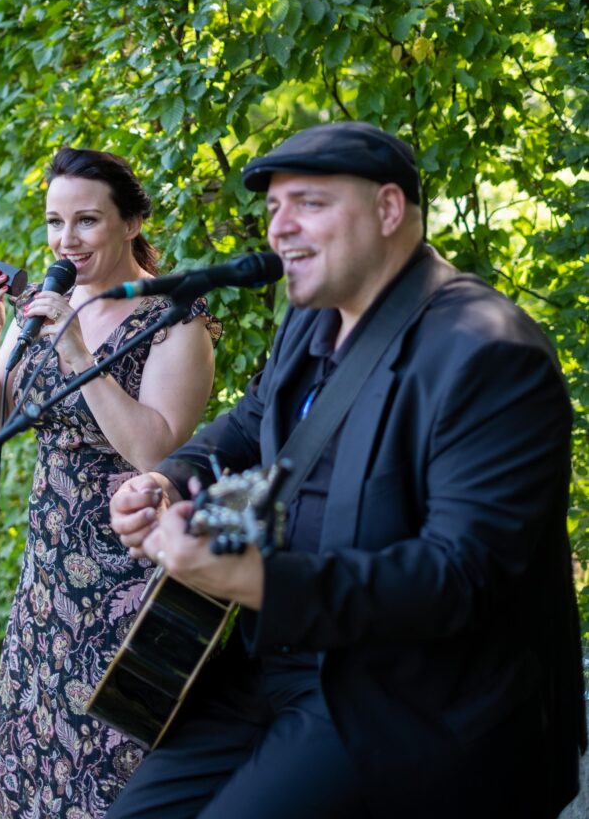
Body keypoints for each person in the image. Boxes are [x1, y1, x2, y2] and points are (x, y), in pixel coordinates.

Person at [107, 121, 586, 819]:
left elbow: (460, 577)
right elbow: (253, 419)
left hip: (402, 692)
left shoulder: (489, 352)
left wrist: (255, 580)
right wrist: (168, 479)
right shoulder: (313, 318)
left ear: (388, 209)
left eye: (309, 203)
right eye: (274, 207)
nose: (280, 228)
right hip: (271, 658)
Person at [0, 147, 221, 819]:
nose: (65, 240)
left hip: (130, 570)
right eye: (55, 221)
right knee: (35, 732)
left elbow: (154, 449)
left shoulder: (175, 319)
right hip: (49, 567)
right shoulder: (42, 308)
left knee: (110, 754)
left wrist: (77, 351)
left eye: (86, 221)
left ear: (131, 223)